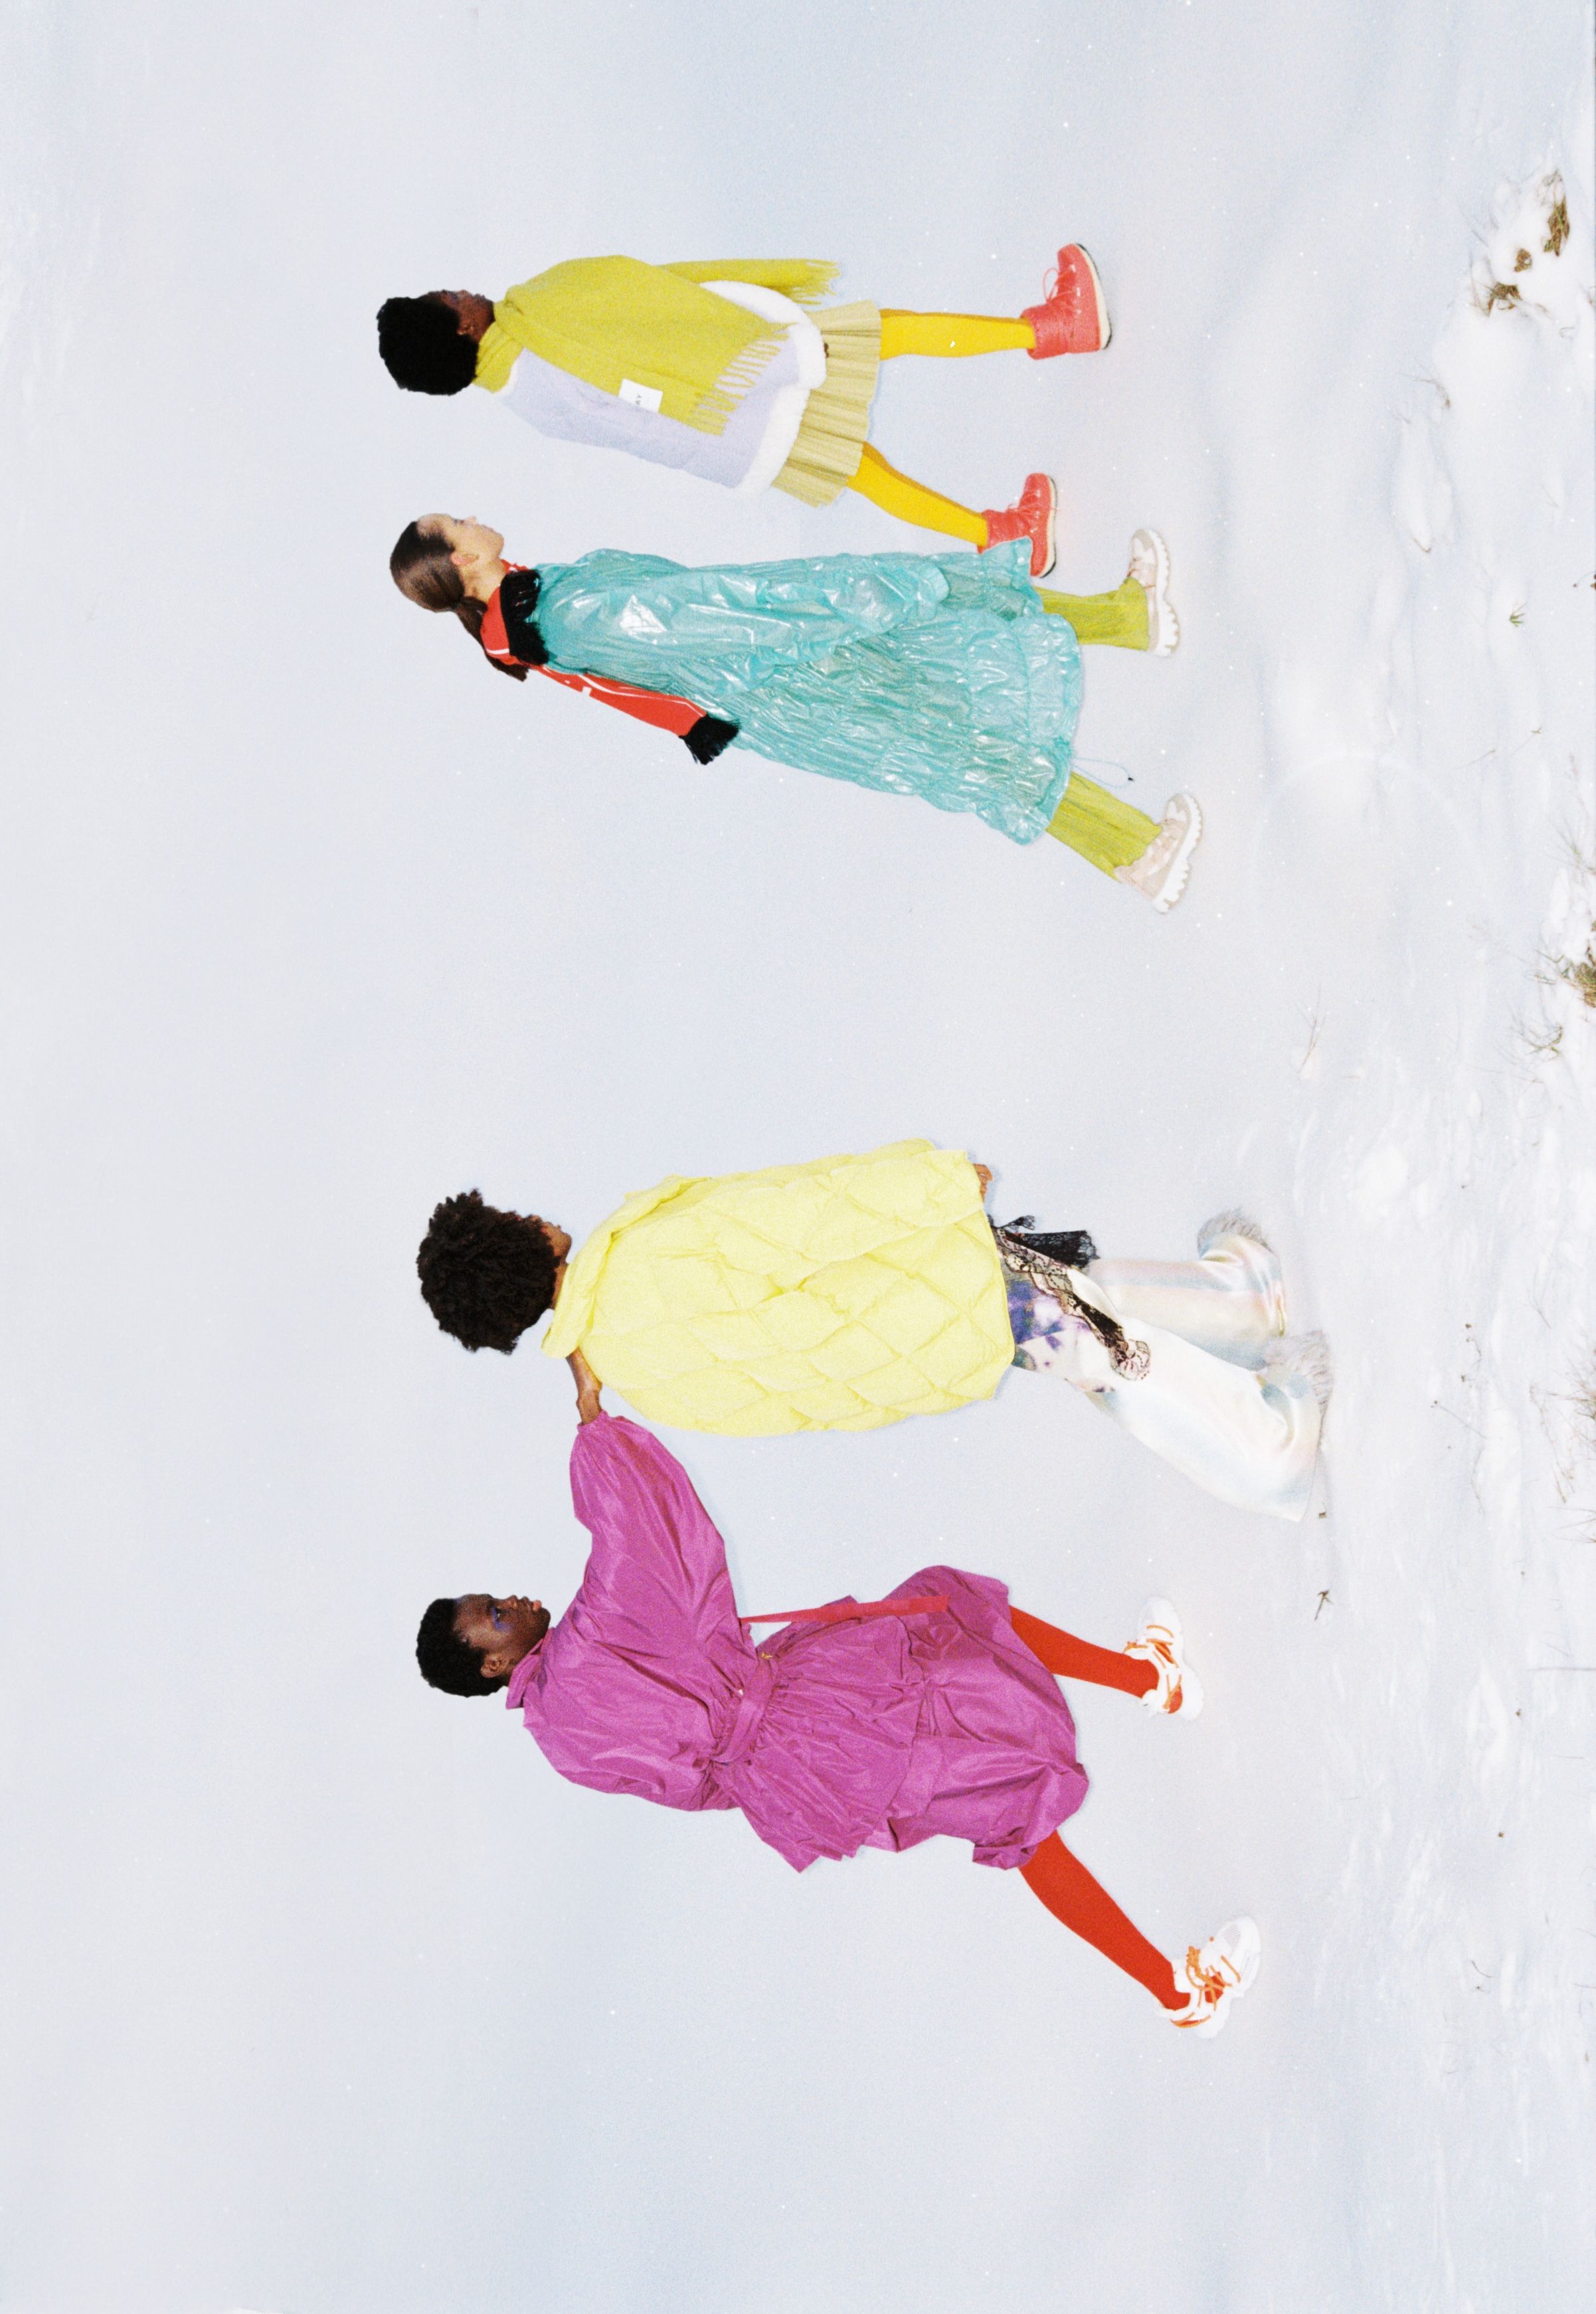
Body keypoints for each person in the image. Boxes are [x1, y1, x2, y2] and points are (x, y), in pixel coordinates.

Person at [414, 1411, 1262, 2036]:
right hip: (806, 1713)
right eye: (495, 1615)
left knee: (989, 1764)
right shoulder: (584, 1646)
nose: (513, 1600)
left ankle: (1178, 1983)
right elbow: (638, 1545)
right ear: (490, 1667)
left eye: (495, 1598)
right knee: (952, 1620)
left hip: (791, 1775)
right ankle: (1150, 1687)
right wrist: (594, 1429)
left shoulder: (562, 1743)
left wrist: (778, 1773)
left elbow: (691, 1787)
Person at [414, 1142, 1332, 1520]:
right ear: (512, 1248)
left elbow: (777, 1407)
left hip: (909, 1344)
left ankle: (1236, 1305)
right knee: (1104, 1349)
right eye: (510, 1220)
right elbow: (802, 1216)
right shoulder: (641, 1256)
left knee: (1081, 1303)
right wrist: (936, 1185)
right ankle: (1264, 1450)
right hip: (920, 1283)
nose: (530, 1215)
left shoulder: (630, 1368)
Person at [389, 513, 1199, 909]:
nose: (472, 516)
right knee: (959, 739)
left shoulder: (542, 606)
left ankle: (1123, 618)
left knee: (952, 620)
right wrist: (834, 601)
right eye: (457, 521)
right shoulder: (567, 615)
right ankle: (1132, 851)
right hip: (794, 662)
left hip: (790, 652)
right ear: (462, 556)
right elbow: (712, 617)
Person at [376, 247, 1117, 577]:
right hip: (738, 370)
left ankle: (1006, 538)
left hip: (728, 435)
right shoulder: (539, 327)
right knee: (883, 331)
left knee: (863, 470)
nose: (463, 290)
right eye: (449, 297)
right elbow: (648, 348)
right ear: (460, 328)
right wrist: (743, 366)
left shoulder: (521, 395)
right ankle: (1054, 328)